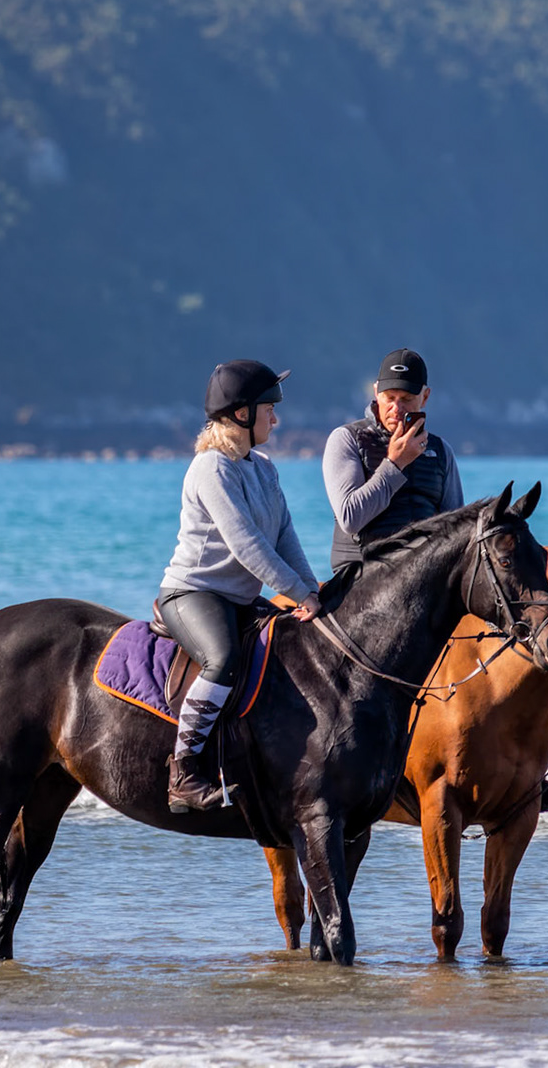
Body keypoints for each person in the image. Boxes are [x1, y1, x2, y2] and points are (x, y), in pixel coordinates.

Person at [158, 359, 322, 812]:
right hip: (193, 594)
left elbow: (284, 537)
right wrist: (297, 591)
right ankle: (184, 774)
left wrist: (313, 594)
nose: (277, 418)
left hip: (240, 598)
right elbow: (247, 545)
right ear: (241, 414)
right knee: (223, 657)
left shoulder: (264, 468)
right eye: (270, 408)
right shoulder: (211, 469)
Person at [324, 348, 465, 572]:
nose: (396, 408)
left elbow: (456, 530)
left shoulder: (440, 451)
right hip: (363, 575)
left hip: (422, 574)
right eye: (389, 398)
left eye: (407, 399)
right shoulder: (347, 439)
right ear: (376, 392)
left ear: (425, 396)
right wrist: (395, 464)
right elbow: (350, 518)